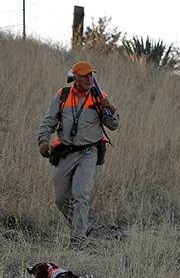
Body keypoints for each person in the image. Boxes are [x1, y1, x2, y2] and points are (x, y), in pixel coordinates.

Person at [37, 60, 120, 242]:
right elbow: (49, 120)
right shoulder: (63, 95)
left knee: (80, 193)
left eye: (91, 75)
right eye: (85, 75)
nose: (90, 79)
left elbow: (113, 125)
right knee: (60, 197)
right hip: (66, 151)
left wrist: (110, 108)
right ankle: (81, 226)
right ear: (75, 77)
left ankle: (78, 239)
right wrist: (43, 139)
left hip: (89, 152)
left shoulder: (99, 96)